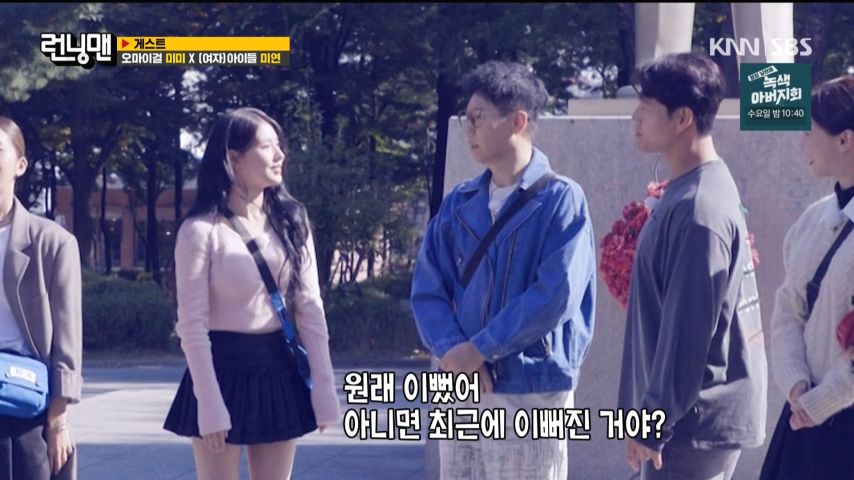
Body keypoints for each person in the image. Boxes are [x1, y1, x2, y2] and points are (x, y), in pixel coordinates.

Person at [410, 60, 597, 480]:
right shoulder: (460, 203)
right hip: (460, 381)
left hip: (531, 383)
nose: (469, 130)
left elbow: (556, 295)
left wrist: (480, 349)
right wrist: (453, 351)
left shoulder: (561, 200)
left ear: (517, 121)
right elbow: (427, 289)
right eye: (466, 118)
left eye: (478, 117)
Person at [163, 107, 340, 480]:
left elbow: (310, 308)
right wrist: (209, 402)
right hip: (220, 369)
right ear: (234, 159)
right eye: (267, 146)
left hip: (277, 366)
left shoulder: (293, 220)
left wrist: (324, 387)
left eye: (280, 145)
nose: (280, 155)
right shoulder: (200, 231)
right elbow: (191, 325)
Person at [617, 53, 767, 480]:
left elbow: (688, 331)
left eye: (646, 107)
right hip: (686, 420)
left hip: (691, 426)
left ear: (682, 118)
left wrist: (652, 422)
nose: (635, 117)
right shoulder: (693, 190)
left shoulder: (699, 208)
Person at [759, 76, 854, 480]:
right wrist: (796, 386)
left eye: (809, 132)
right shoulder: (814, 218)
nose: (802, 145)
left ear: (844, 140)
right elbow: (787, 309)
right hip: (801, 420)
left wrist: (822, 402)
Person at [0, 116, 81, 480]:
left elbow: (67, 339)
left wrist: (58, 420)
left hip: (24, 405)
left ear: (20, 165)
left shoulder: (52, 242)